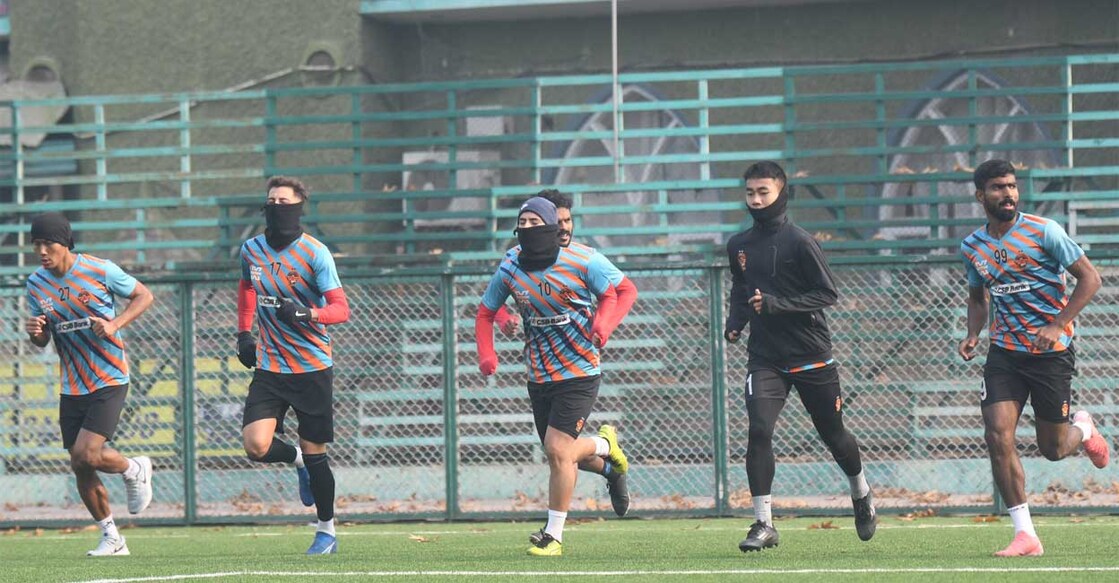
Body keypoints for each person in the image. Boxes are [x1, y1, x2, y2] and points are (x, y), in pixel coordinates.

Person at [958, 159, 1109, 557]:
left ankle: (1084, 429)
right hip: (1004, 354)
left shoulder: (1044, 231)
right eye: (998, 187)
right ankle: (1025, 534)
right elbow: (978, 298)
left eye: (1011, 186)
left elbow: (1090, 278)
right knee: (997, 435)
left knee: (1053, 449)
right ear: (980, 195)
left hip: (1050, 355)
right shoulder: (972, 246)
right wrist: (973, 333)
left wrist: (1058, 324)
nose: (1007, 193)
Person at [724, 161, 877, 552]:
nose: (756, 200)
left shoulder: (801, 242)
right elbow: (741, 289)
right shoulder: (738, 245)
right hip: (765, 358)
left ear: (781, 192)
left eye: (763, 192)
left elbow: (827, 294)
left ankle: (860, 491)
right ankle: (763, 523)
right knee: (759, 430)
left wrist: (777, 305)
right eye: (750, 193)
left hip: (810, 355)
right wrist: (735, 323)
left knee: (833, 434)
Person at [475, 195, 637, 556]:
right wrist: (490, 348)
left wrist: (604, 324)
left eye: (539, 222)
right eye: (524, 223)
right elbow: (488, 310)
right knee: (560, 454)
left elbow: (618, 293)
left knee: (558, 449)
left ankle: (553, 536)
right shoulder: (511, 265)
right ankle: (607, 457)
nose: (531, 229)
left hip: (580, 369)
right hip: (539, 373)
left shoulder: (584, 260)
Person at [24, 212, 155, 557]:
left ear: (65, 243)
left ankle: (134, 468)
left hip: (109, 376)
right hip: (72, 384)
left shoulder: (100, 269)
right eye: (36, 244)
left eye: (47, 243)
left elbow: (144, 296)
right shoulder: (35, 284)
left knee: (88, 453)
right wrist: (36, 334)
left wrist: (114, 324)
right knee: (80, 463)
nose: (41, 251)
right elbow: (43, 339)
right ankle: (113, 538)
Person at [236, 176, 351, 555]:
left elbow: (341, 309)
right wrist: (244, 333)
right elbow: (247, 288)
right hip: (270, 366)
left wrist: (308, 313)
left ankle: (326, 531)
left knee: (316, 451)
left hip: (311, 366)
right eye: (271, 201)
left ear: (300, 205)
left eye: (284, 201)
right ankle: (295, 459)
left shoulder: (315, 253)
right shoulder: (251, 250)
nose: (276, 207)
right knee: (255, 445)